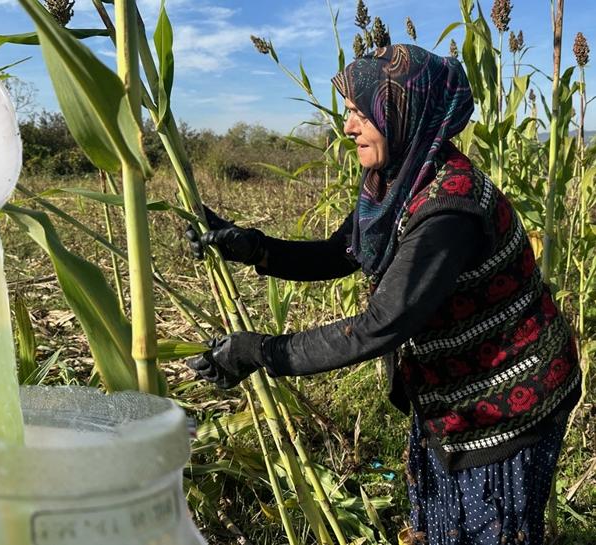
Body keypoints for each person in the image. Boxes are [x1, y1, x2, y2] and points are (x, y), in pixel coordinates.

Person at [185, 44, 581, 545]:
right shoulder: (398, 180)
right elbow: (341, 252)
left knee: (488, 529)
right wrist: (253, 248)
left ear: (401, 113)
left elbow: (379, 325)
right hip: (450, 392)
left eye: (360, 113)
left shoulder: (449, 209)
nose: (347, 127)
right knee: (443, 524)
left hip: (507, 399)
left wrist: (258, 352)